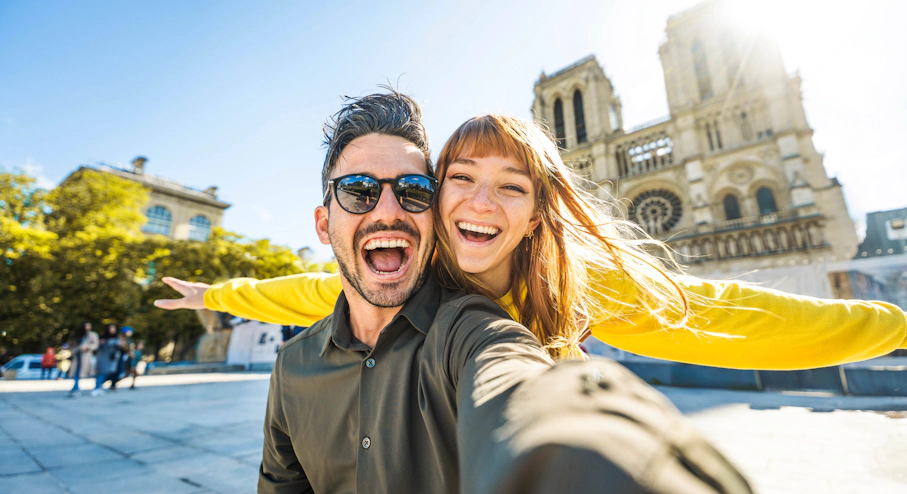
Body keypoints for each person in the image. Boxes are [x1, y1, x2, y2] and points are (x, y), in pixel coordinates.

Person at [161, 90, 752, 493]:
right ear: (323, 223)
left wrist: (602, 445)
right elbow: (306, 290)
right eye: (361, 191)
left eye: (414, 190)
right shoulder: (293, 368)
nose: (388, 210)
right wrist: (214, 296)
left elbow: (520, 380)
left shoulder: (473, 324)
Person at [157, 115, 907, 370]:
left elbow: (729, 317)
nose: (482, 201)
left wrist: (894, 326)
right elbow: (309, 291)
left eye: (513, 186)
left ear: (537, 214)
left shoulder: (569, 284)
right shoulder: (405, 275)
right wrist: (217, 294)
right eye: (461, 179)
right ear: (435, 194)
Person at [91, 324, 123, 397]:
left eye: (113, 328)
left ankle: (99, 387)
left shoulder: (116, 338)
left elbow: (119, 346)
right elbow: (97, 347)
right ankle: (96, 388)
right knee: (101, 372)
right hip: (103, 358)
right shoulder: (103, 338)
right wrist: (100, 343)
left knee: (108, 373)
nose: (112, 330)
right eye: (111, 328)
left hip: (112, 359)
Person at [68, 321, 99, 397]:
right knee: (75, 373)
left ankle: (75, 389)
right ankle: (76, 389)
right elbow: (71, 346)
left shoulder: (92, 335)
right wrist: (76, 349)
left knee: (80, 373)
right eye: (86, 326)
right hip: (76, 356)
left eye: (89, 326)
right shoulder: (77, 336)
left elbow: (95, 345)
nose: (88, 328)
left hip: (86, 356)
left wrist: (87, 347)